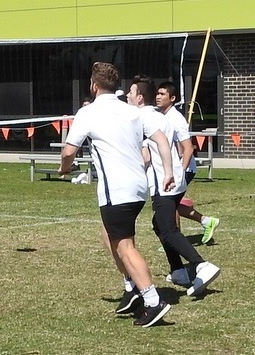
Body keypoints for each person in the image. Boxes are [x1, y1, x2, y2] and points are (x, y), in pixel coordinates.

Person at [59, 62, 174, 327]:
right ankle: (131, 286)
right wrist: (167, 171)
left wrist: (65, 169)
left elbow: (68, 152)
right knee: (107, 233)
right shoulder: (132, 111)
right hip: (138, 186)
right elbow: (160, 140)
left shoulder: (88, 113)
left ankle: (153, 300)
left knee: (124, 245)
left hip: (117, 189)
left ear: (94, 85)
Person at [128, 76, 220, 297]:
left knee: (167, 229)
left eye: (130, 93)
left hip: (164, 182)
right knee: (160, 225)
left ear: (140, 98)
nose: (127, 97)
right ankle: (178, 271)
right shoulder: (161, 117)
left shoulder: (142, 119)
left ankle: (200, 265)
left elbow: (147, 154)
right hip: (174, 181)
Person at [156, 81, 220, 244]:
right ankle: (206, 221)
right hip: (175, 169)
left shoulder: (175, 119)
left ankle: (173, 240)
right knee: (173, 205)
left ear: (172, 98)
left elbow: (189, 148)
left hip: (183, 170)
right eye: (157, 93)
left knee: (170, 205)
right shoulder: (165, 117)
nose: (158, 97)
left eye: (162, 94)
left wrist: (180, 172)